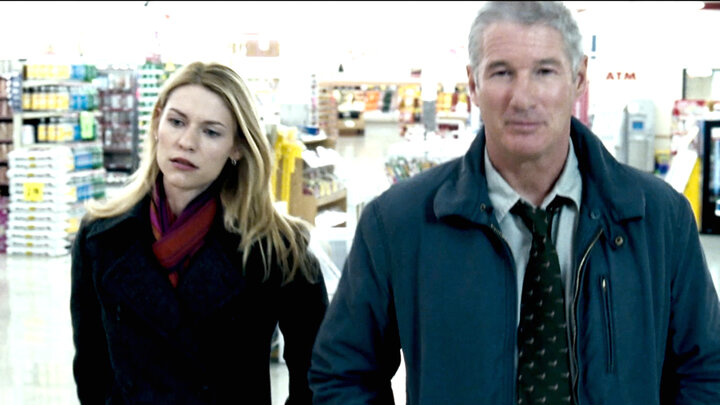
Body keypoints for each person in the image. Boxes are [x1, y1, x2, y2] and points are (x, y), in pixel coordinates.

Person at [309, 2, 720, 404]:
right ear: (473, 84)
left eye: (545, 71)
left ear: (579, 79)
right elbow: (344, 373)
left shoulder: (659, 219)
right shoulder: (398, 223)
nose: (522, 98)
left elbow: (706, 370)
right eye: (502, 72)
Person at [70, 61, 328, 404]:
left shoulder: (278, 249)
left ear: (237, 146)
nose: (186, 142)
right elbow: (91, 368)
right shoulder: (101, 237)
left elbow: (317, 375)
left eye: (211, 132)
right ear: (157, 123)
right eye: (177, 122)